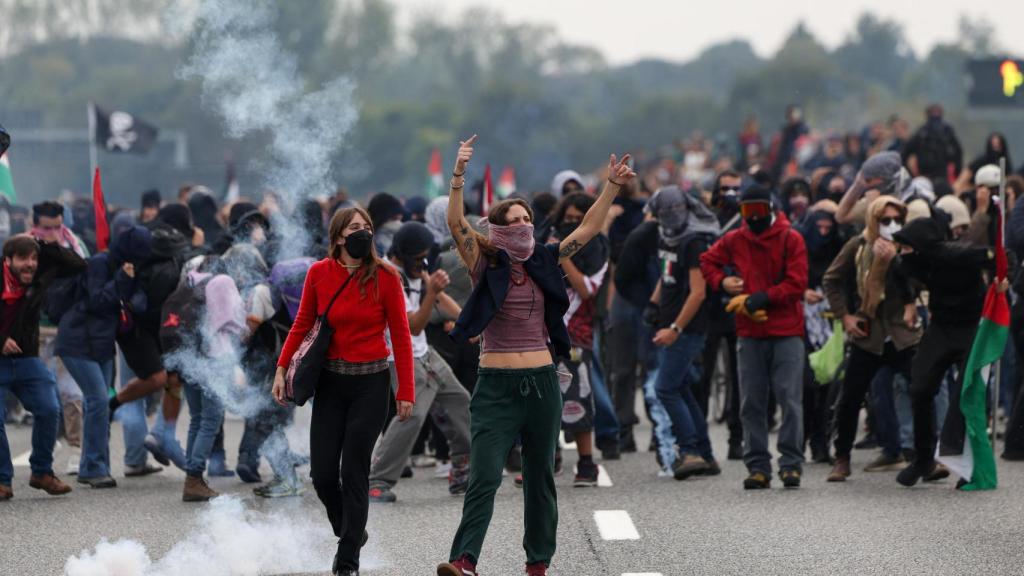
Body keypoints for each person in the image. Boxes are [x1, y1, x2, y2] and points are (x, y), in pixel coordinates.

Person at [437, 135, 635, 576]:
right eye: (514, 221)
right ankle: (464, 561)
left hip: (542, 383)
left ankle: (538, 564)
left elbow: (586, 230)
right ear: (497, 229)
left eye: (528, 218)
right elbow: (457, 226)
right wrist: (457, 175)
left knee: (540, 480)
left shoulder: (546, 258)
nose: (524, 226)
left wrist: (611, 187)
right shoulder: (484, 262)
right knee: (484, 478)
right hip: (495, 387)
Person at [272, 207, 414, 576]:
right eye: (354, 228)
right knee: (321, 475)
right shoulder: (319, 273)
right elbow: (302, 323)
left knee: (354, 470)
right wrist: (281, 367)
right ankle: (351, 531)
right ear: (337, 237)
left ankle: (347, 558)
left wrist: (406, 391)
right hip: (332, 384)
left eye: (367, 226)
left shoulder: (386, 276)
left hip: (372, 383)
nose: (363, 232)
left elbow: (400, 334)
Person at [700, 184, 809, 490]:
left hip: (787, 330)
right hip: (749, 331)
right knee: (751, 401)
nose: (754, 217)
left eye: (759, 210)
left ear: (771, 209)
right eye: (748, 212)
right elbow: (707, 261)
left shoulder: (791, 238)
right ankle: (758, 465)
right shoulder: (735, 238)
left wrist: (764, 297)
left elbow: (797, 283)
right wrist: (722, 282)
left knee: (790, 400)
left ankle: (791, 464)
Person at [367, 221, 471, 503]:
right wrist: (432, 293)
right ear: (401, 252)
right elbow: (412, 325)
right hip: (399, 356)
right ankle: (377, 480)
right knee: (410, 415)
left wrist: (468, 324)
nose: (422, 262)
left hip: (424, 353)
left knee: (460, 401)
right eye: (418, 256)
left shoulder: (416, 269)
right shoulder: (388, 276)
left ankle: (462, 469)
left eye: (426, 255)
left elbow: (441, 301)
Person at [822, 197, 922, 481]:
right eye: (885, 220)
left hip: (902, 334)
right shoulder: (859, 245)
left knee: (922, 392)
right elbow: (831, 279)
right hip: (869, 335)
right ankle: (842, 458)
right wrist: (845, 317)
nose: (892, 226)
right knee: (851, 398)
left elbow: (919, 281)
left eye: (897, 220)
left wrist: (901, 265)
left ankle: (925, 457)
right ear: (873, 221)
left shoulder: (907, 246)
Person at [892, 216, 992, 487]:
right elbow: (898, 271)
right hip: (941, 328)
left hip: (972, 326)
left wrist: (999, 283)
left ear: (923, 245)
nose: (902, 252)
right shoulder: (908, 262)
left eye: (907, 246)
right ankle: (923, 459)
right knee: (920, 388)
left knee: (967, 396)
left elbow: (994, 256)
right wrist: (908, 302)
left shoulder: (959, 254)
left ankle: (969, 466)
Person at [56, 225, 151, 488]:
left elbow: (138, 302)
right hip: (78, 341)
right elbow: (97, 300)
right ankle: (95, 467)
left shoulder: (131, 269)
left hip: (102, 344)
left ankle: (94, 464)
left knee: (97, 404)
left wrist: (129, 283)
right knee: (98, 401)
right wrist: (121, 278)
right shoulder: (99, 264)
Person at [0, 235, 87, 500]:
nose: (30, 264)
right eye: (23, 258)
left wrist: (43, 243)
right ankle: (3, 481)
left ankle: (41, 472)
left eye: (34, 258)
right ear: (7, 260)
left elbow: (78, 265)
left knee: (49, 409)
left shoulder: (38, 276)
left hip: (26, 358)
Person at [646, 186, 721, 480]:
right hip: (668, 321)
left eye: (675, 210)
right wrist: (654, 303)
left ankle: (689, 450)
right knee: (681, 387)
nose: (671, 216)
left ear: (687, 207)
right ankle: (706, 454)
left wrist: (676, 328)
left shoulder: (694, 241)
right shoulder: (667, 236)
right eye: (664, 212)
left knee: (665, 388)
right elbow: (667, 273)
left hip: (688, 327)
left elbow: (698, 292)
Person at [902, 103, 963, 185]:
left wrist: (957, 171)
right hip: (925, 175)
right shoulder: (922, 133)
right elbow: (905, 153)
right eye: (933, 113)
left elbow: (958, 151)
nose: (935, 116)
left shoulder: (947, 132)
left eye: (937, 113)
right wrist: (911, 174)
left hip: (942, 175)